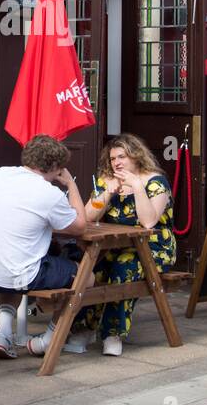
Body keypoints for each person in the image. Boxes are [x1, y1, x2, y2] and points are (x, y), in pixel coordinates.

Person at [0, 135, 89, 360]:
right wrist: (71, 184)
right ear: (54, 167)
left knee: (14, 262)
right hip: (17, 274)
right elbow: (80, 226)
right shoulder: (49, 193)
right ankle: (47, 341)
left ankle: (2, 334)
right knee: (85, 277)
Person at [57, 134, 175, 358]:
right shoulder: (107, 180)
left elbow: (148, 222)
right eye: (112, 159)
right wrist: (108, 192)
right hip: (113, 247)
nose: (117, 163)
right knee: (94, 270)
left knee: (124, 267)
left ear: (136, 156)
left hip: (154, 249)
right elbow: (88, 217)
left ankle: (113, 333)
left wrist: (138, 187)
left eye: (122, 156)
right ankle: (85, 327)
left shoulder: (155, 182)